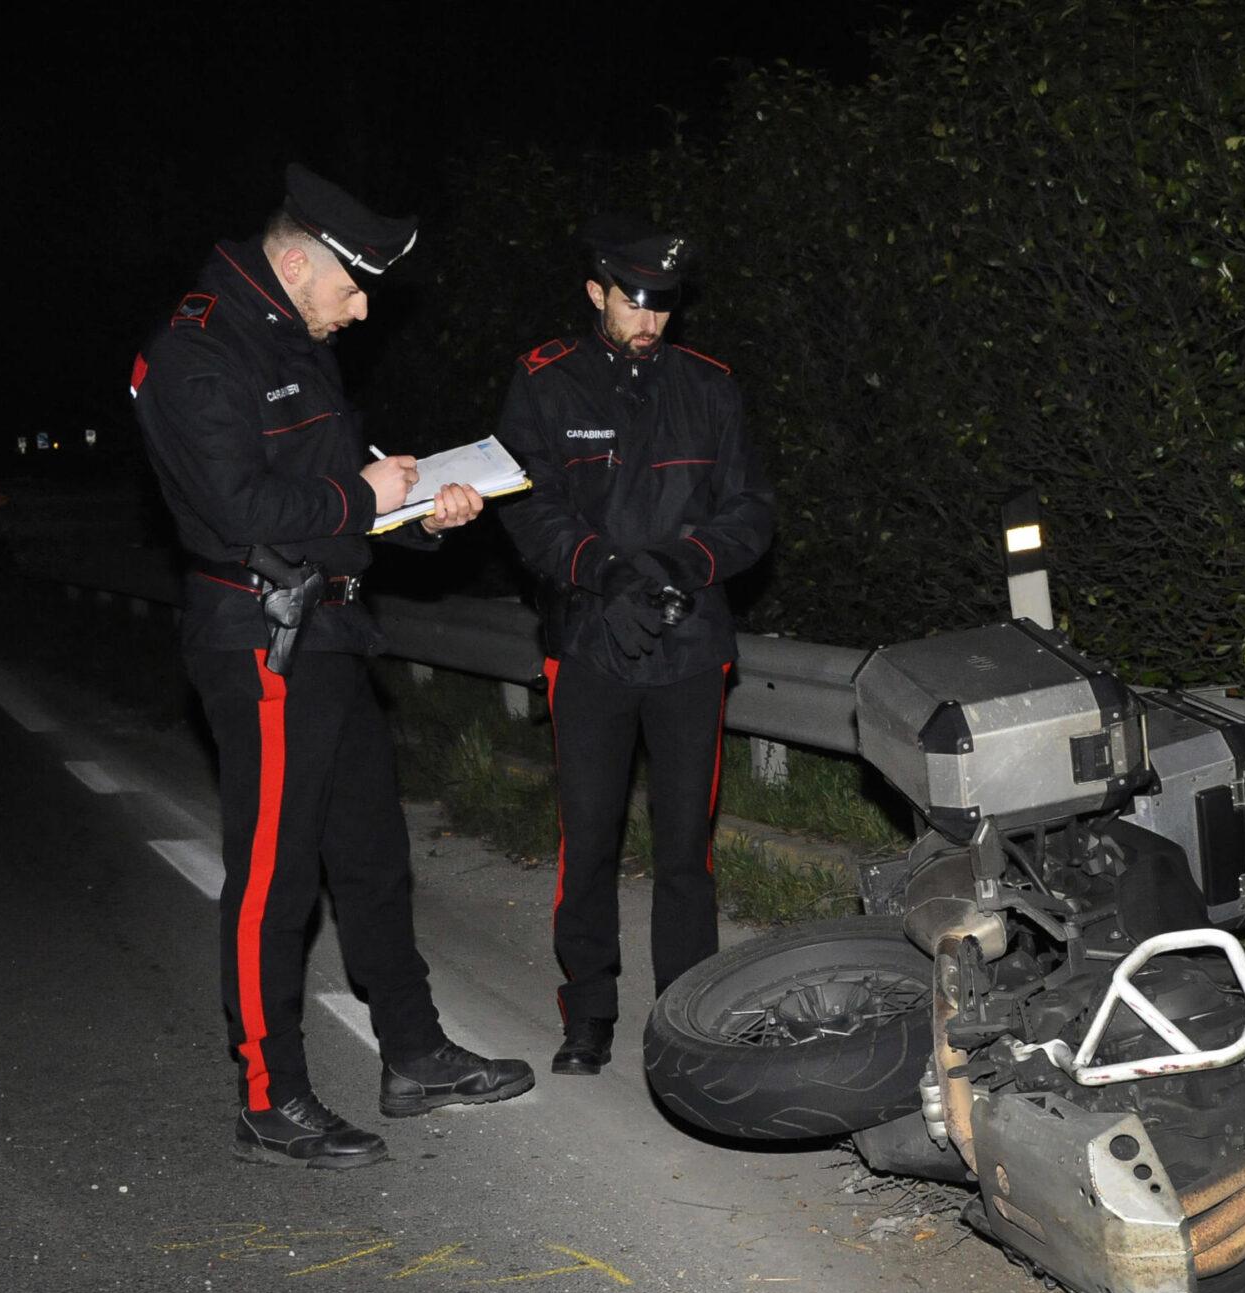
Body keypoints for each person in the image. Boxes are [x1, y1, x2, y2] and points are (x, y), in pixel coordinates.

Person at [131, 163, 534, 1168]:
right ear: (300, 260)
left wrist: (420, 507)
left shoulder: (289, 334)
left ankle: (414, 1055)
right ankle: (272, 1097)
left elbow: (332, 492)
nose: (361, 312)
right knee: (275, 879)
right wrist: (361, 494)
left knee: (372, 861)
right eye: (352, 289)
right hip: (263, 643)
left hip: (335, 631)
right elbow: (242, 515)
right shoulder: (197, 353)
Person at [496, 220, 775, 1074]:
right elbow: (525, 504)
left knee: (685, 844)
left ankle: (686, 1024)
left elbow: (752, 510)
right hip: (588, 642)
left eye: (663, 304)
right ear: (597, 295)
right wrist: (605, 573)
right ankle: (587, 1014)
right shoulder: (546, 383)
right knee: (588, 835)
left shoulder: (711, 387)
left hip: (690, 644)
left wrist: (683, 564)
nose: (649, 320)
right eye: (632, 302)